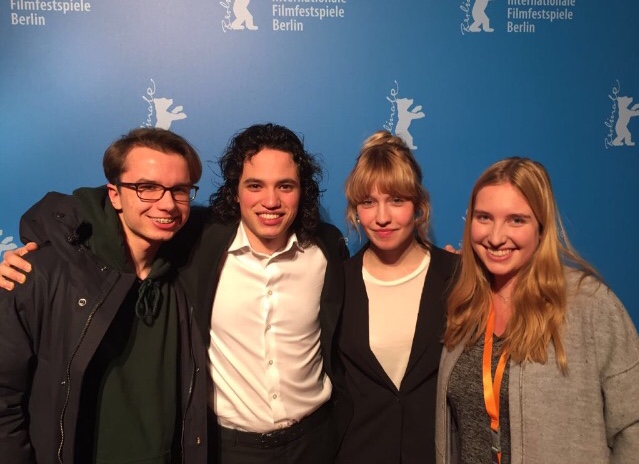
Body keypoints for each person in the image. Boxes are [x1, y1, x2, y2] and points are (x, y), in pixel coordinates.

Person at [0, 128, 209, 464]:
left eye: (180, 190)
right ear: (115, 195)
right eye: (147, 188)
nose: (167, 203)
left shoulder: (189, 269)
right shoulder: (39, 273)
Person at [435, 157, 639, 464]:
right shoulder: (464, 301)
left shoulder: (589, 304)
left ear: (541, 228)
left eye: (516, 220)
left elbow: (632, 426)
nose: (496, 237)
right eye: (484, 217)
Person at [335, 131, 458, 463]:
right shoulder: (337, 282)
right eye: (368, 202)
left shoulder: (456, 276)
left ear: (418, 206)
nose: (382, 217)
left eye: (396, 200)